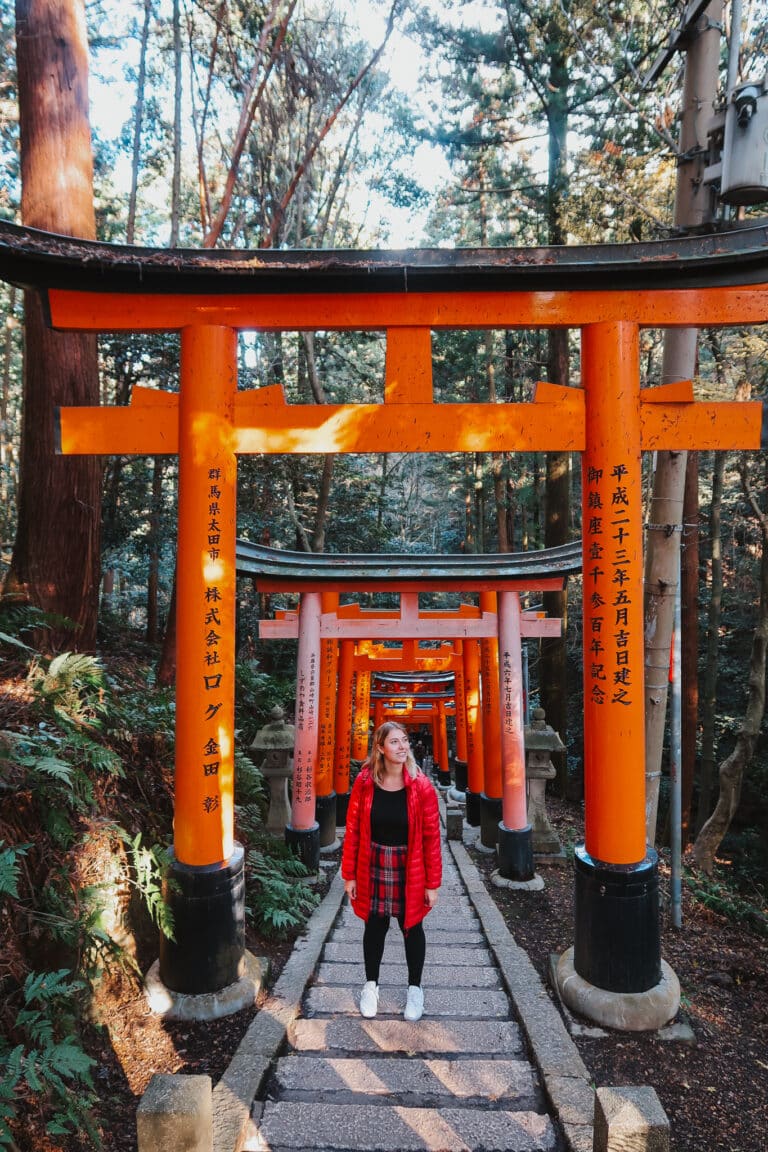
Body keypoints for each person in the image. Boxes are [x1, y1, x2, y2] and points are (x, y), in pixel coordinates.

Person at [341, 720, 442, 1022]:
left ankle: (415, 989)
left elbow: (432, 838)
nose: (402, 747)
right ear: (381, 748)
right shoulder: (365, 782)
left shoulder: (420, 786)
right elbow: (353, 830)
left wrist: (432, 883)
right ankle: (371, 985)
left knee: (412, 927)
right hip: (372, 861)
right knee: (375, 925)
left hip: (409, 864)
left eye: (404, 741)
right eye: (394, 742)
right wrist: (350, 875)